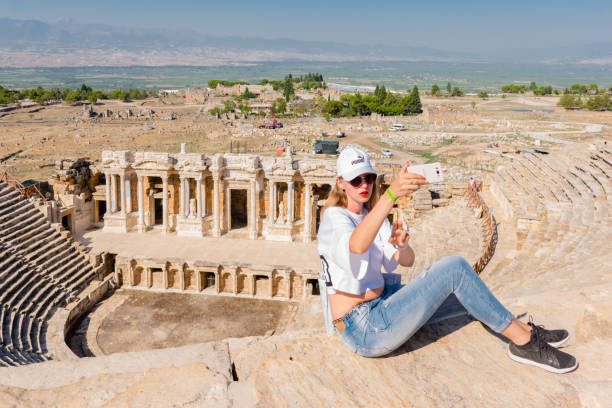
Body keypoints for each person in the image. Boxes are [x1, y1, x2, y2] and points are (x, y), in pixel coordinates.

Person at [317, 146, 577, 374]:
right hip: (363, 327)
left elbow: (406, 261)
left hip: (384, 305)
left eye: (369, 177)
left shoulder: (371, 215)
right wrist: (391, 195)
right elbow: (356, 245)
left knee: (471, 295)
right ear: (341, 183)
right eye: (356, 180)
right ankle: (525, 343)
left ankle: (524, 329)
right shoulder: (334, 217)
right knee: (454, 267)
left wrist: (402, 245)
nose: (364, 185)